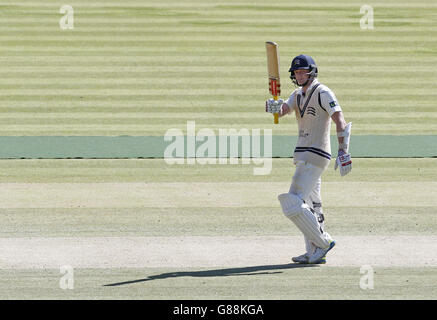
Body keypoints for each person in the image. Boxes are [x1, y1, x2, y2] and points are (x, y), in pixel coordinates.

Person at [266, 54, 352, 264]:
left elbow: (339, 120)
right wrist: (274, 106)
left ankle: (323, 242)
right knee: (312, 205)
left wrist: (343, 150)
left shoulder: (323, 92)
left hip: (317, 153)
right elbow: (284, 110)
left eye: (303, 71)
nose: (299, 75)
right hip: (303, 154)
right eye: (296, 72)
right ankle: (313, 251)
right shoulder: (297, 94)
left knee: (292, 202)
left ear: (312, 71)